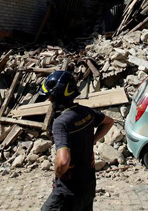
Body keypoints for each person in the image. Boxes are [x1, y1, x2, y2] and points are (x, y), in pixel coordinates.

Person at [39, 70, 114, 211]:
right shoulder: (86, 112)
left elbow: (63, 161)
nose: (49, 99)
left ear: (58, 95)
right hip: (88, 186)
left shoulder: (60, 123)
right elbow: (109, 122)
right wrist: (92, 140)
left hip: (67, 192)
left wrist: (58, 173)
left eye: (50, 96)